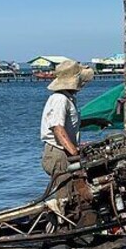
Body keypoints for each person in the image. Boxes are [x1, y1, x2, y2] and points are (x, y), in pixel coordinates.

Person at [39, 60, 94, 198]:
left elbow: (66, 127)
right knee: (65, 197)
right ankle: (61, 219)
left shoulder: (67, 98)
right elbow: (57, 128)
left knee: (75, 193)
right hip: (58, 153)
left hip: (62, 150)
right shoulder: (60, 99)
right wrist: (74, 151)